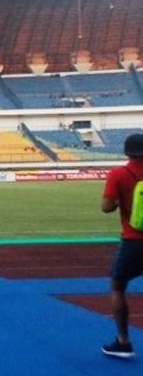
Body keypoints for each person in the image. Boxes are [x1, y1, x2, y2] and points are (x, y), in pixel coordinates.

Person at [101, 133, 143, 358]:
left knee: (118, 287)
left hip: (134, 240)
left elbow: (106, 207)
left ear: (127, 152)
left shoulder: (119, 174)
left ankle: (123, 342)